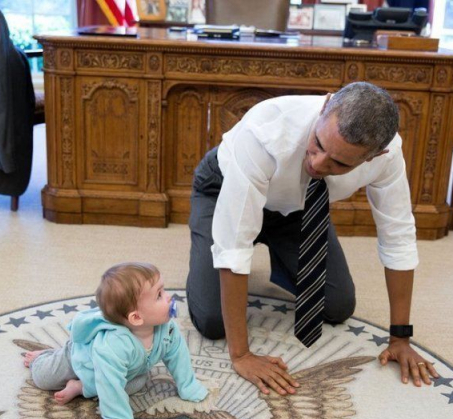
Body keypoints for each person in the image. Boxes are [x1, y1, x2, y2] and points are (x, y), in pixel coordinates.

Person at [186, 82, 440, 397]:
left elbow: (398, 236)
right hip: (222, 188)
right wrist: (241, 355)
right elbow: (234, 246)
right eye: (318, 144)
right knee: (212, 321)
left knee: (337, 306)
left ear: (376, 155)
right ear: (325, 106)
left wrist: (400, 338)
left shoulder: (389, 156)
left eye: (339, 163)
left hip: (298, 209)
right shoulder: (265, 130)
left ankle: (280, 252)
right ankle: (205, 243)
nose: (317, 164)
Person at [23, 262, 208, 419]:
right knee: (43, 378)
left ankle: (80, 387)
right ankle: (43, 357)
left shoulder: (167, 329)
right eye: (159, 295)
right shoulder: (114, 344)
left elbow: (178, 356)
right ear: (136, 317)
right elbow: (109, 382)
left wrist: (188, 386)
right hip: (79, 359)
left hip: (127, 371)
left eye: (163, 290)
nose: (168, 298)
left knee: (138, 383)